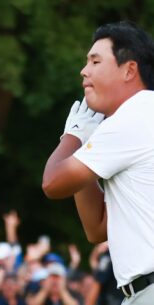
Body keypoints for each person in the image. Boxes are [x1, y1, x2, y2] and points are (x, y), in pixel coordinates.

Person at [42, 21, 154, 304]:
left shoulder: (134, 116)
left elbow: (52, 184)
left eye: (95, 61)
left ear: (129, 69)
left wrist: (72, 138)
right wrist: (85, 155)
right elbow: (97, 229)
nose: (84, 70)